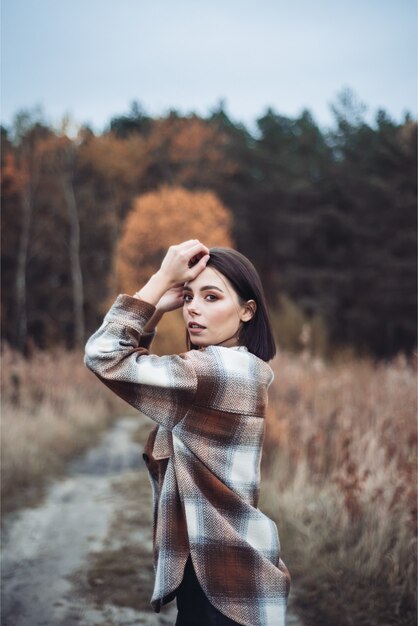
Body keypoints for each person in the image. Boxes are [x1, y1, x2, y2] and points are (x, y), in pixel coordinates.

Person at [84, 239, 291, 626]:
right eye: (189, 296)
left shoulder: (212, 372)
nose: (193, 308)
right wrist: (158, 311)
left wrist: (160, 279)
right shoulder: (240, 369)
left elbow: (105, 353)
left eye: (212, 297)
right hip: (224, 570)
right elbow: (135, 365)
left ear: (247, 312)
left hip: (223, 585)